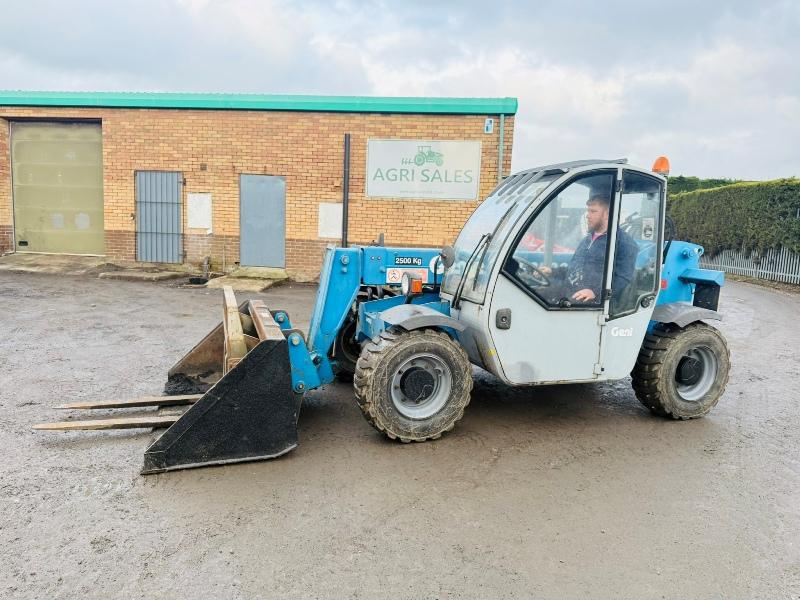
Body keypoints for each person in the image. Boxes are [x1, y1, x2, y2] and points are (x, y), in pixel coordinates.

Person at [540, 194, 637, 304]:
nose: (588, 215)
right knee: (533, 294)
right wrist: (553, 272)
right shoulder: (587, 240)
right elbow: (575, 270)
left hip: (592, 302)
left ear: (607, 214)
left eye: (593, 211)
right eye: (588, 211)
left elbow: (622, 279)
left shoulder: (624, 243)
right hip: (568, 291)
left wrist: (595, 292)